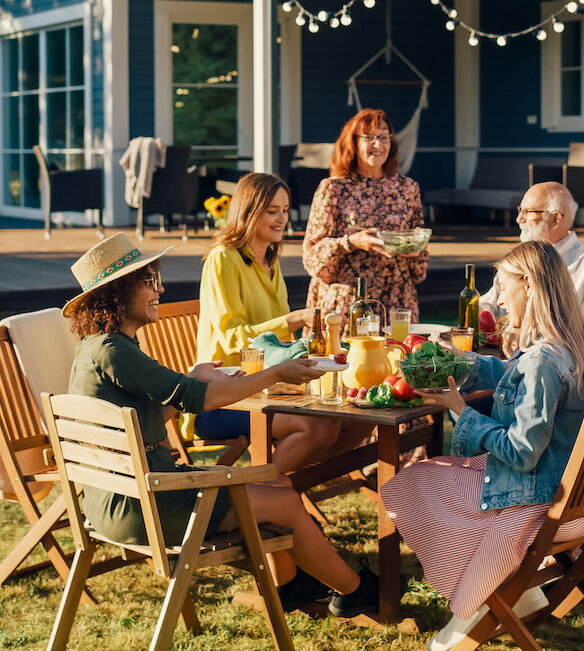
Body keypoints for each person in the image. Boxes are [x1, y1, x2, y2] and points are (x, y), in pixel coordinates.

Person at [62, 233, 383, 616]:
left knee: (275, 482)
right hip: (144, 503)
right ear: (116, 292)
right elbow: (206, 400)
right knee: (281, 500)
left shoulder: (101, 346)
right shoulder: (113, 350)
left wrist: (192, 377)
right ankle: (356, 592)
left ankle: (292, 584)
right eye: (148, 282)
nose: (160, 289)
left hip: (119, 497)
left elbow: (144, 422)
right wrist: (276, 371)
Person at [381, 241, 584, 651]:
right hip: (582, 499)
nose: (499, 300)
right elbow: (511, 370)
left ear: (530, 285)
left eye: (503, 288)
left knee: (411, 484)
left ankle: (478, 600)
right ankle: (510, 592)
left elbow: (522, 452)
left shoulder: (542, 360)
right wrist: (463, 364)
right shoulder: (579, 343)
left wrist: (461, 411)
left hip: (538, 503)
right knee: (437, 476)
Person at [195, 172, 368, 475]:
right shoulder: (223, 259)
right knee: (316, 427)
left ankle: (289, 483)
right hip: (221, 399)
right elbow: (230, 338)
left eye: (285, 210)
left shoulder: (269, 264)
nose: (281, 219)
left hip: (268, 389)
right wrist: (291, 320)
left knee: (355, 421)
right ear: (248, 211)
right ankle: (259, 499)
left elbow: (277, 345)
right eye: (271, 211)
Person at [301, 108, 428, 317]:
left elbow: (420, 259)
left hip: (397, 303)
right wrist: (350, 243)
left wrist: (414, 250)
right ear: (353, 142)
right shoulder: (333, 189)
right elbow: (312, 254)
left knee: (398, 351)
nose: (378, 145)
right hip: (346, 305)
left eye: (383, 137)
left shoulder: (408, 188)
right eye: (369, 137)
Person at [486, 181, 584, 346]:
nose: (519, 219)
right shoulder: (519, 259)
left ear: (555, 218)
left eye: (527, 212)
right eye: (519, 210)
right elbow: (488, 303)